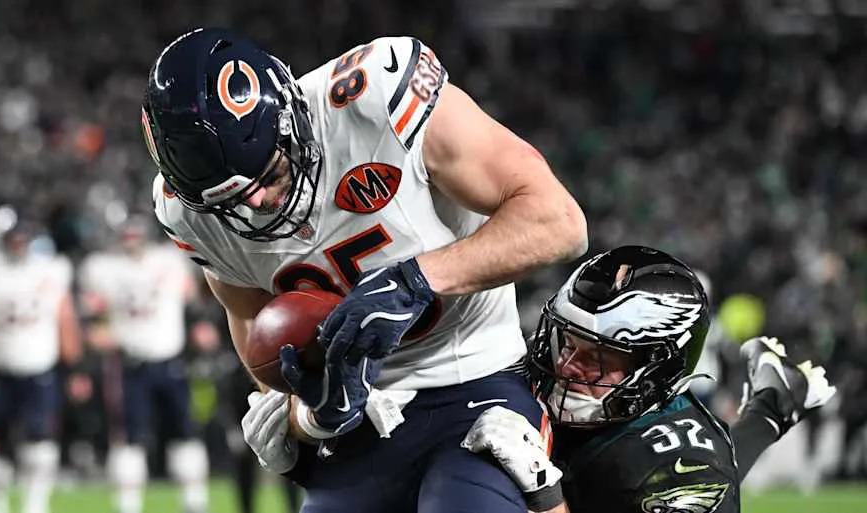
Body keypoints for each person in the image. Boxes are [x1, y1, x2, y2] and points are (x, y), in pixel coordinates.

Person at [143, 27, 588, 512]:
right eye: (230, 201)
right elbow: (261, 340)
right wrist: (312, 412)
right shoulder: (185, 215)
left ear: (292, 119)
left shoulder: (373, 100)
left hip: (474, 375)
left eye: (270, 174)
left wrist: (417, 280)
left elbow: (558, 221)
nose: (257, 204)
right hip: (365, 417)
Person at [460, 245, 836, 513]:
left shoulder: (676, 467)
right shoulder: (588, 395)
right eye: (567, 342)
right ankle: (773, 405)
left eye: (598, 359)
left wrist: (547, 499)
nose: (568, 366)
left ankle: (772, 405)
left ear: (656, 371)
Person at [78, 217, 209, 513]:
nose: (131, 239)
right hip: (129, 362)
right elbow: (91, 315)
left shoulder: (169, 259)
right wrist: (95, 332)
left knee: (185, 429)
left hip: (170, 357)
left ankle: (195, 501)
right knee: (129, 435)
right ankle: (129, 505)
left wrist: (200, 326)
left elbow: (192, 300)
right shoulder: (103, 268)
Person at [0, 216, 89, 513]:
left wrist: (76, 368)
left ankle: (35, 505)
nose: (19, 243)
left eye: (23, 237)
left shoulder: (50, 271)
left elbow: (65, 321)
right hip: (0, 369)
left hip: (40, 369)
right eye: (14, 237)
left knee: (41, 441)